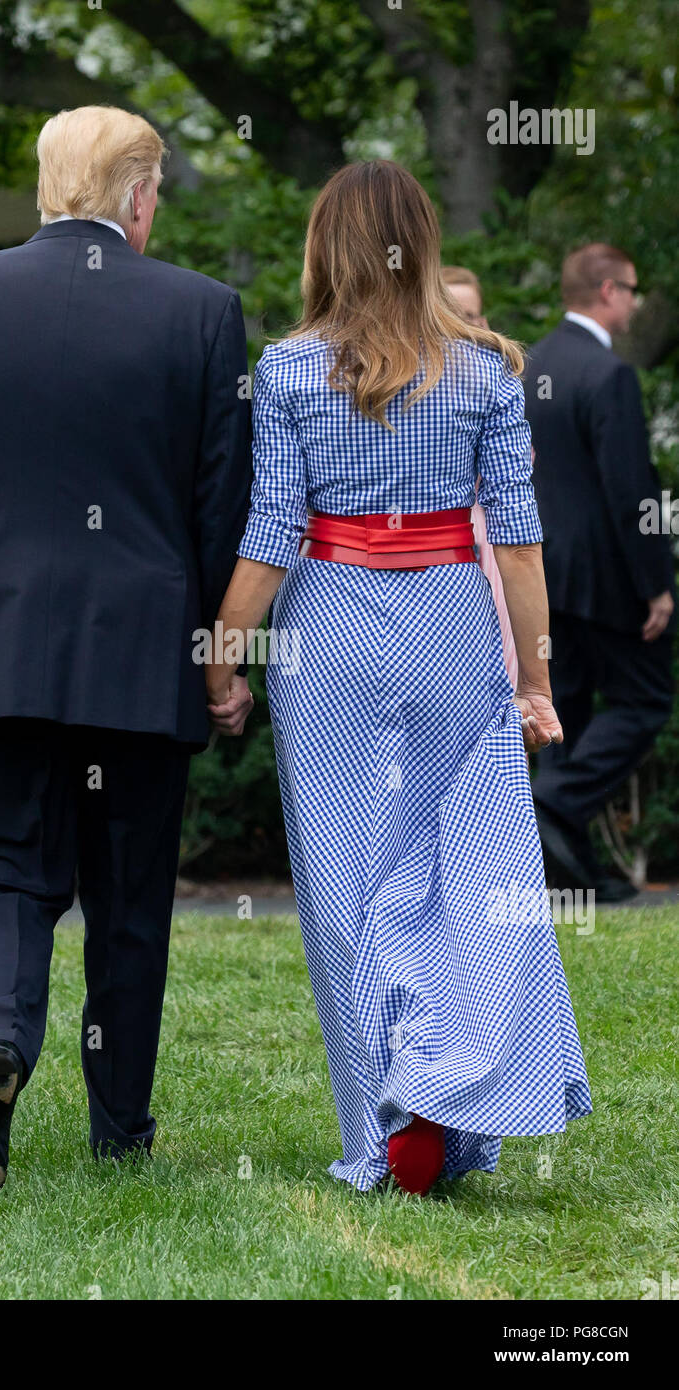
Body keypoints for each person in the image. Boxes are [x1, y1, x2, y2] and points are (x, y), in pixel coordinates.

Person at [0, 106, 252, 1190]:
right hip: (142, 656)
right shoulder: (202, 311)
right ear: (138, 197)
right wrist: (222, 665)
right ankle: (119, 1131)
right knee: (128, 898)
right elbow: (222, 508)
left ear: (48, 186)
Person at [207, 161, 591, 1196]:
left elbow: (271, 532)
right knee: (463, 877)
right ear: (421, 242)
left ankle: (381, 1130)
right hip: (452, 634)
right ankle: (446, 1096)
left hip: (327, 631)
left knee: (345, 890)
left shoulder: (286, 371)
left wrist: (222, 658)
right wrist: (535, 678)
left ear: (323, 247)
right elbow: (515, 543)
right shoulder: (486, 370)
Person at [524, 244, 675, 901]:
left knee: (569, 713)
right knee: (646, 699)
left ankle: (570, 877)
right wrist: (656, 585)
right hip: (603, 577)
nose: (638, 303)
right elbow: (629, 491)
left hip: (541, 570)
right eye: (633, 290)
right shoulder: (608, 374)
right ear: (608, 290)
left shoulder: (530, 363)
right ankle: (553, 797)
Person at [441, 266, 518, 687]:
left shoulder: (498, 387)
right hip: (444, 547)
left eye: (472, 316)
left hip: (496, 549)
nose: (466, 327)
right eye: (454, 315)